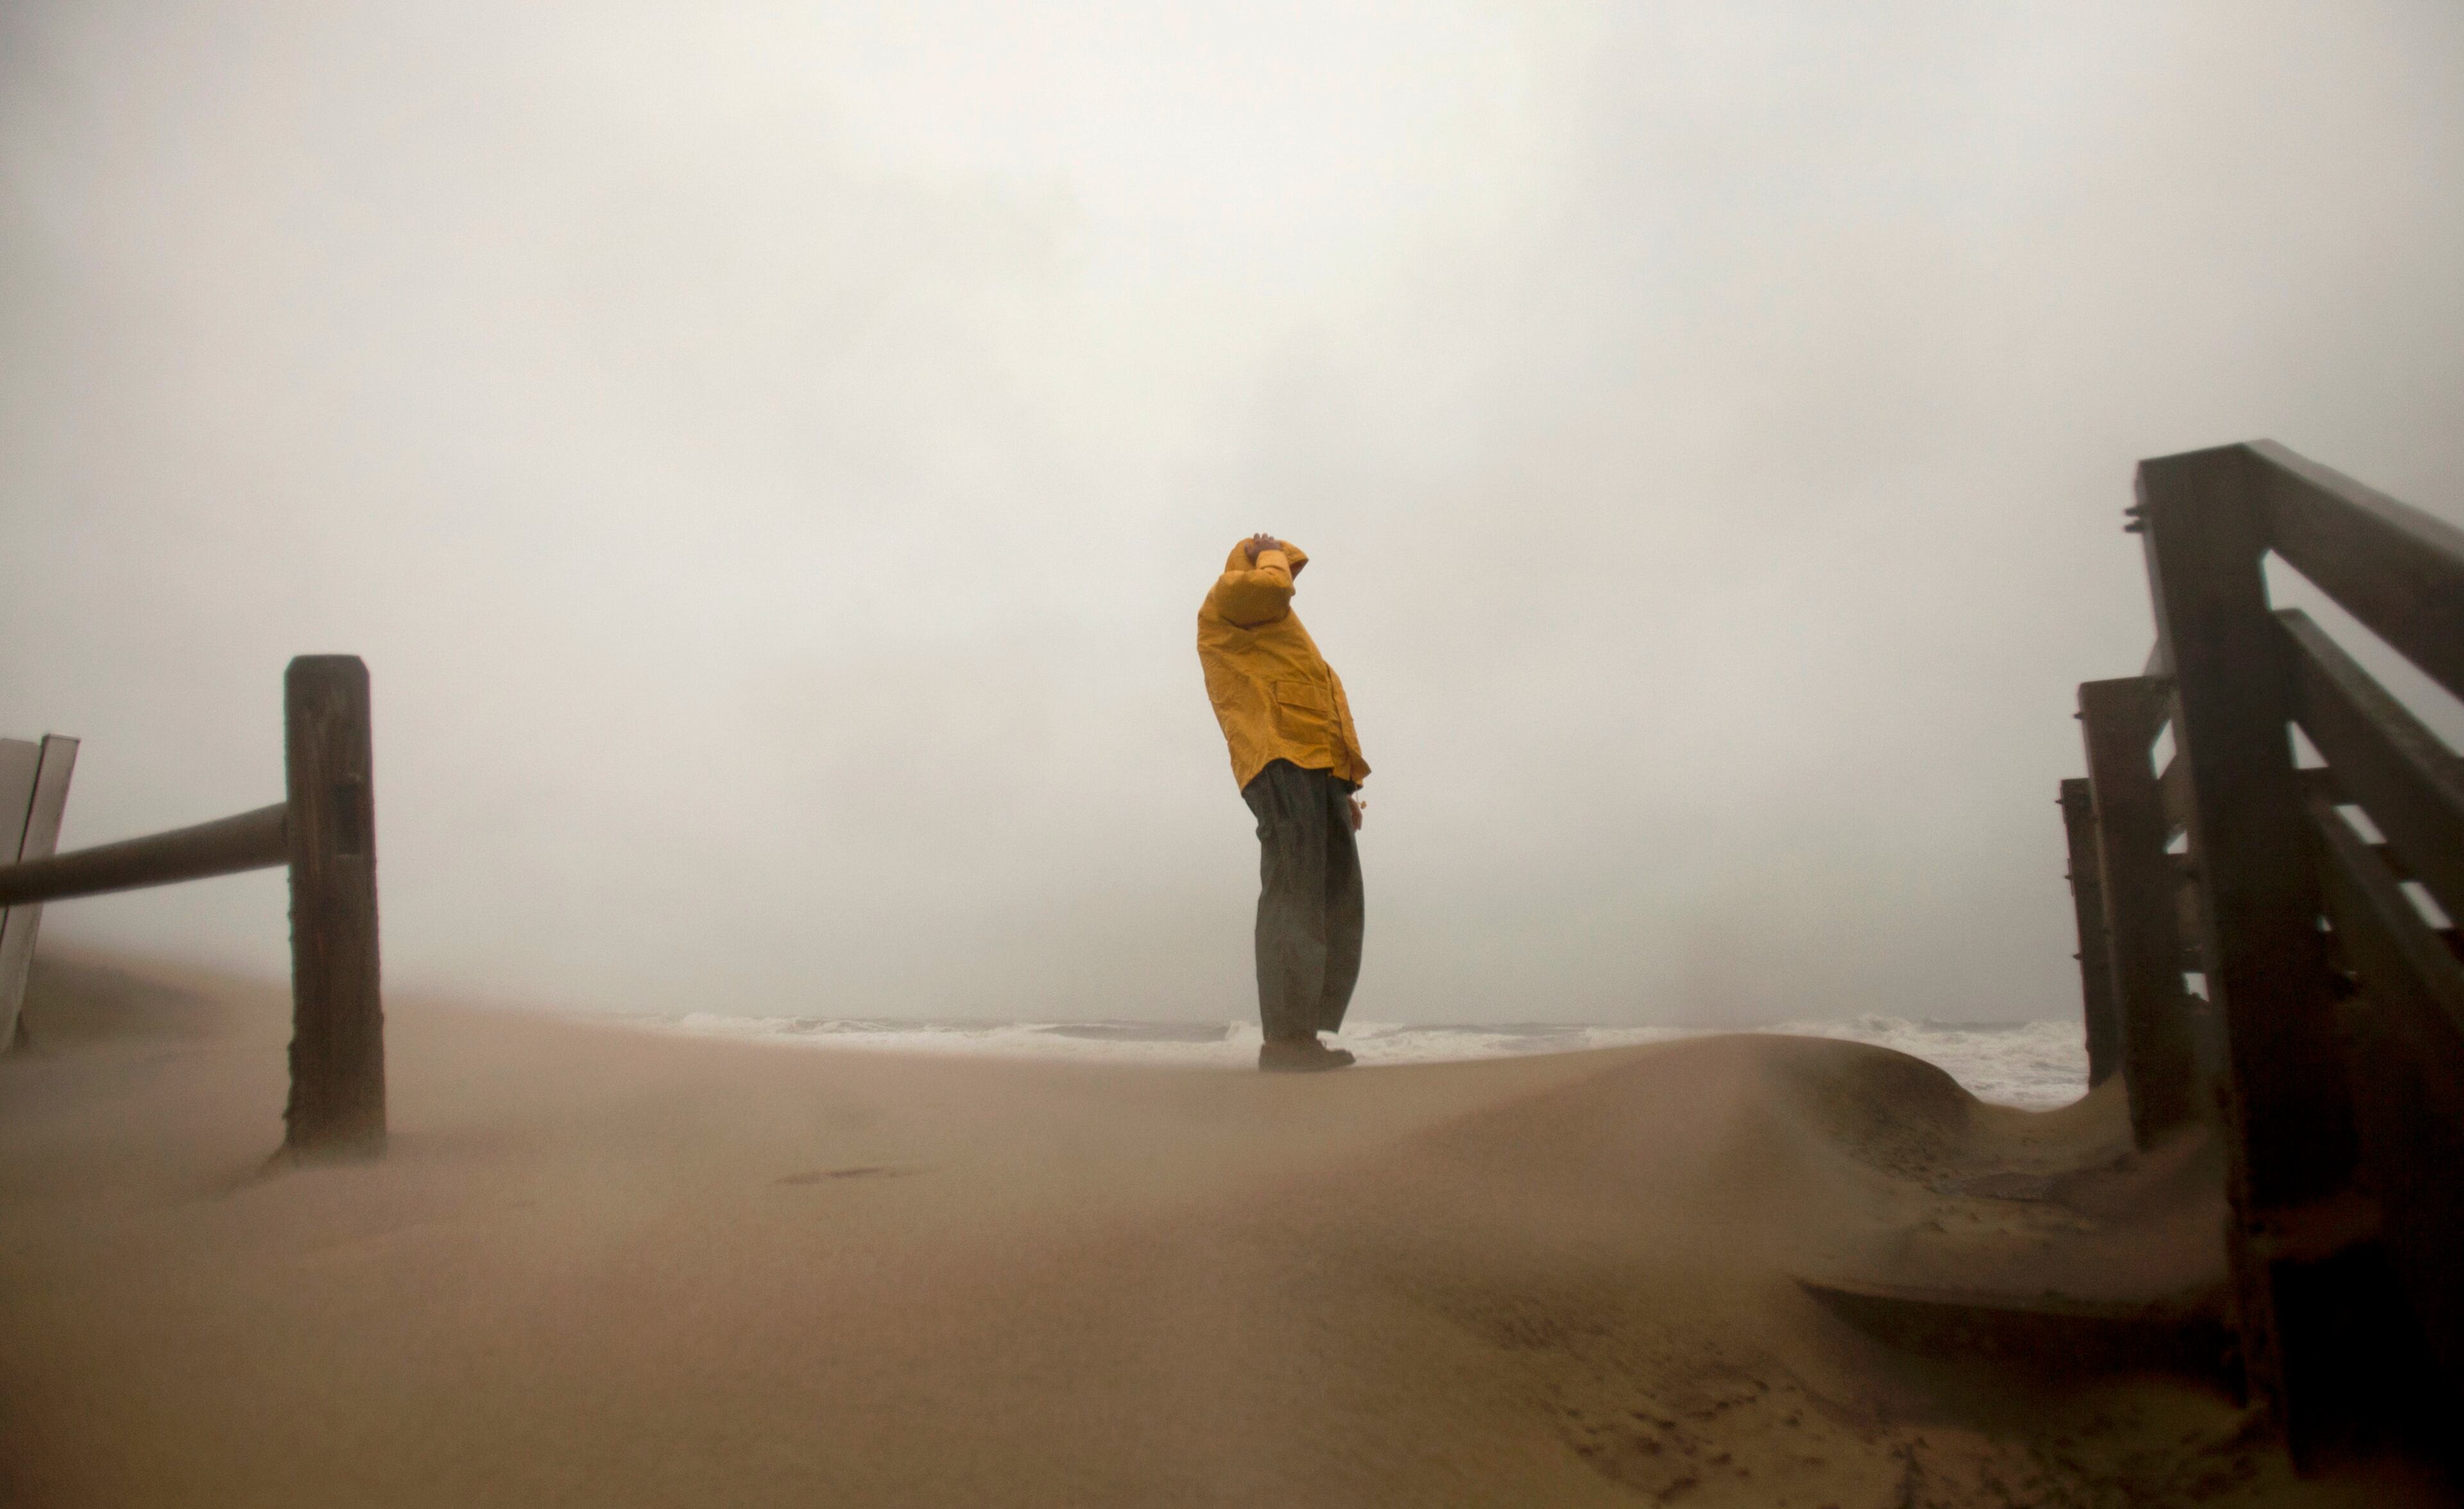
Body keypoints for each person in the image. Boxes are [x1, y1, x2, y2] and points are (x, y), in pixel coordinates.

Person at [1197, 533, 1371, 1072]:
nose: (1287, 573)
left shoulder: (1279, 630)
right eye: (1276, 564)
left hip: (1312, 764)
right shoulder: (1231, 596)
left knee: (1333, 893)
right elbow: (1273, 587)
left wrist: (1341, 785)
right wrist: (1266, 554)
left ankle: (1303, 1032)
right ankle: (1286, 1041)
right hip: (1278, 755)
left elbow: (1318, 694)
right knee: (1294, 889)